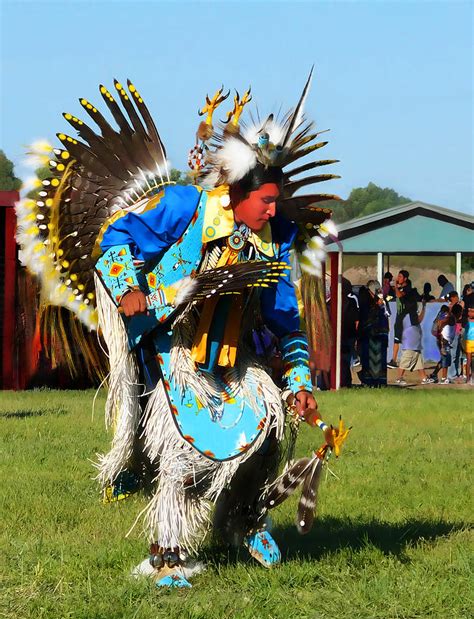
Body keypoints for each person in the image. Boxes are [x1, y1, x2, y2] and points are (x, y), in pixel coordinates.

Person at [16, 76, 349, 588]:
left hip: (230, 355)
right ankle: (166, 552)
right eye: (264, 200)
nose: (273, 209)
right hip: (172, 346)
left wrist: (299, 380)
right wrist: (129, 287)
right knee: (185, 448)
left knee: (265, 428)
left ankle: (242, 520)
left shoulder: (275, 239)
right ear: (236, 192)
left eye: (276, 200)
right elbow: (116, 234)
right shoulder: (184, 206)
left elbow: (285, 317)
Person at [357, 280, 389, 387]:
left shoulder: (382, 301)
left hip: (379, 335)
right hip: (368, 334)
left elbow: (387, 312)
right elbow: (364, 317)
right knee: (368, 359)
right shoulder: (364, 300)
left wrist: (382, 303)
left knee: (379, 360)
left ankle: (379, 382)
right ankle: (368, 382)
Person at [396, 298, 433, 385]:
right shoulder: (409, 315)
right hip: (410, 344)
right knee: (405, 361)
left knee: (419, 362)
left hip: (415, 344)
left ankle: (424, 378)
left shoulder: (409, 314)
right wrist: (423, 307)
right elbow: (419, 319)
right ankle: (399, 378)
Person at [388, 270, 415, 368]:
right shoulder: (399, 288)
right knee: (396, 339)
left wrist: (395, 287)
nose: (398, 278)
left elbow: (399, 295)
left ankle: (411, 361)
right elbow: (391, 297)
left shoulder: (407, 289)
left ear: (405, 279)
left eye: (400, 277)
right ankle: (394, 360)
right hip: (399, 317)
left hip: (406, 317)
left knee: (407, 340)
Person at [340, 278, 359, 388]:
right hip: (341, 335)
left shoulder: (351, 302)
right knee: (343, 359)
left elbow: (356, 320)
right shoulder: (333, 302)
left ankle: (346, 381)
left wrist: (356, 336)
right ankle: (344, 380)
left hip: (348, 335)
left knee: (346, 359)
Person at [464, 305, 474, 384]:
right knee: (469, 360)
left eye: (472, 312)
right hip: (468, 342)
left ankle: (472, 377)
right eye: (469, 311)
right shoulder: (466, 320)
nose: (470, 313)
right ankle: (467, 378)